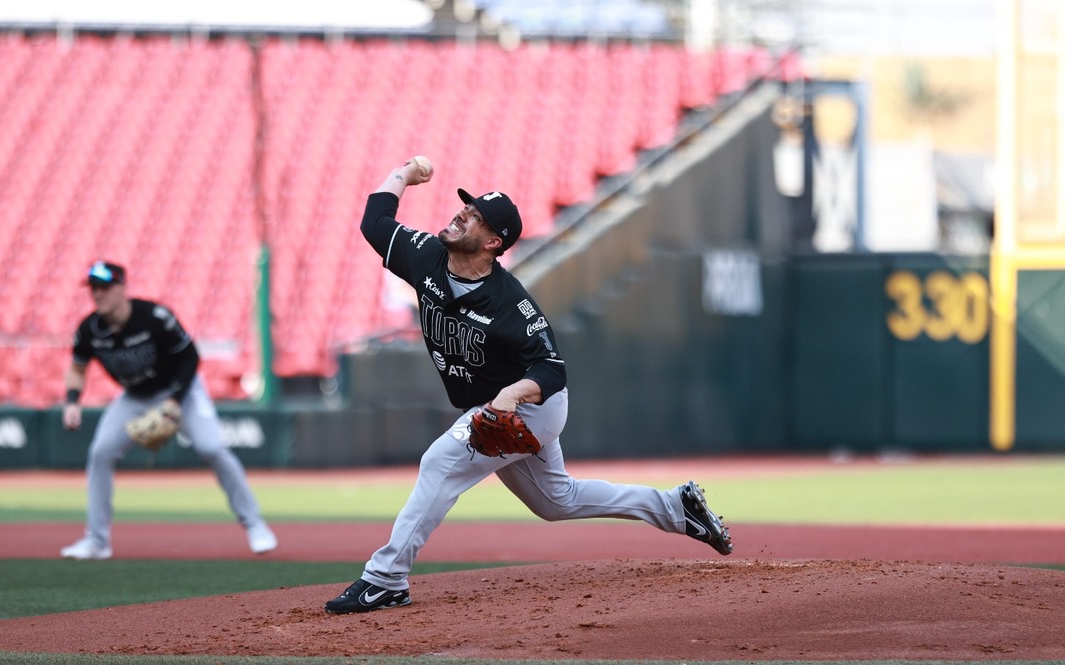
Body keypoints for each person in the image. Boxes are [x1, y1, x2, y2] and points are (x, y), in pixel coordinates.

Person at [324, 158, 732, 614]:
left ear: (493, 242)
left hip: (534, 406)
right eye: (467, 208)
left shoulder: (511, 305)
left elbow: (552, 369)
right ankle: (677, 507)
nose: (463, 215)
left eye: (476, 216)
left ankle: (385, 580)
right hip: (494, 404)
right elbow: (375, 221)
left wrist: (513, 395)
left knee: (439, 462)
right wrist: (404, 174)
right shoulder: (425, 257)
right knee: (558, 501)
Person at [59, 260, 277, 560]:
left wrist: (174, 401)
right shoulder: (89, 329)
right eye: (93, 288)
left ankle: (254, 525)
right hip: (135, 396)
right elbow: (77, 368)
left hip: (181, 390)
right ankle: (97, 541)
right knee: (100, 452)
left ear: (123, 287)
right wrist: (72, 401)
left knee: (212, 447)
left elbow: (190, 357)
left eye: (105, 287)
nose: (98, 294)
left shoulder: (153, 317)